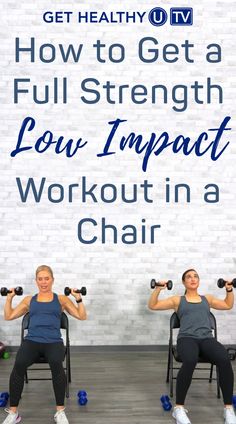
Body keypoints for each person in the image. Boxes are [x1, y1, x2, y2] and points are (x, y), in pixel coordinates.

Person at [148, 269, 236, 424]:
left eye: (195, 276)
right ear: (184, 282)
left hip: (206, 339)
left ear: (199, 281)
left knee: (223, 358)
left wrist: (229, 289)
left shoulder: (207, 299)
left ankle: (228, 408)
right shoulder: (177, 300)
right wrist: (158, 289)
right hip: (187, 339)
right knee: (190, 360)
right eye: (189, 277)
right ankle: (179, 408)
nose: (193, 279)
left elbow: (228, 305)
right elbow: (153, 305)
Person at [2, 265, 87, 424]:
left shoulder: (61, 299)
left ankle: (60, 412)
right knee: (19, 364)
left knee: (56, 363)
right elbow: (9, 316)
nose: (43, 282)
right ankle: (13, 413)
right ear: (36, 281)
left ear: (52, 280)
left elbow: (81, 316)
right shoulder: (29, 300)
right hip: (32, 341)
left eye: (46, 278)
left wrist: (78, 298)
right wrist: (9, 298)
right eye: (40, 279)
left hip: (53, 341)